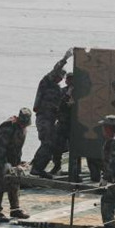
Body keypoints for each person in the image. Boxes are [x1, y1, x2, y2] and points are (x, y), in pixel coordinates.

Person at [0, 108, 32, 223]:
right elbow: (0, 149)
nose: (24, 126)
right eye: (22, 123)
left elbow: (17, 150)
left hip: (9, 159)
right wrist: (4, 165)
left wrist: (17, 165)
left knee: (14, 182)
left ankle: (15, 209)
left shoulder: (22, 129)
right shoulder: (7, 128)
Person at [30, 49, 72, 178]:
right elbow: (56, 69)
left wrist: (70, 94)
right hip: (43, 118)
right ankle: (37, 168)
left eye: (62, 76)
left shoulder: (58, 90)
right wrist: (65, 58)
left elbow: (63, 103)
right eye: (59, 75)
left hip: (51, 120)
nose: (60, 78)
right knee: (47, 143)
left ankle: (38, 167)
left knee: (52, 144)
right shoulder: (46, 83)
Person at [51, 72, 74, 176]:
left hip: (75, 125)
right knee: (57, 147)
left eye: (72, 79)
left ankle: (74, 170)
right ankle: (57, 166)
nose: (70, 81)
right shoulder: (62, 91)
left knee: (76, 148)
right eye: (68, 79)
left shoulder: (80, 91)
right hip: (63, 123)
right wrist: (67, 95)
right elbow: (59, 105)